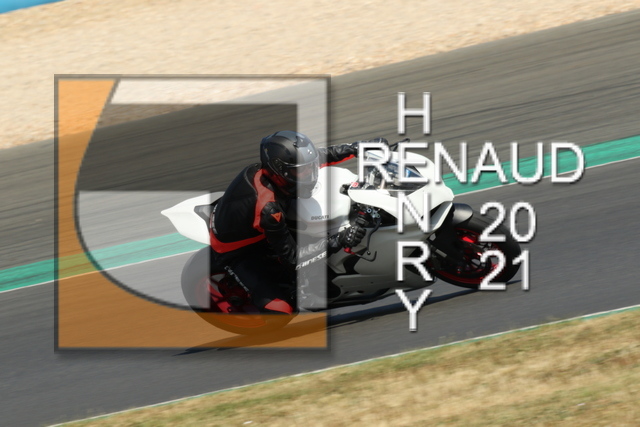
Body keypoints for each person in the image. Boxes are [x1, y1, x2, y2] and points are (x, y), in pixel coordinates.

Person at [210, 130, 374, 314]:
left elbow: (320, 156)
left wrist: (358, 148)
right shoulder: (269, 210)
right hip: (240, 250)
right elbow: (293, 259)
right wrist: (339, 240)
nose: (310, 173)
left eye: (309, 167)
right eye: (302, 170)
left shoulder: (277, 171)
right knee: (282, 310)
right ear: (280, 170)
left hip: (258, 223)